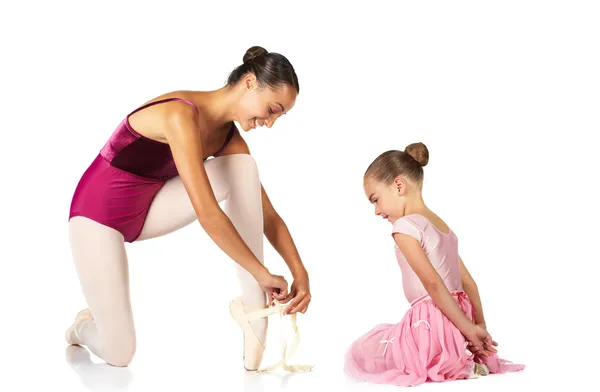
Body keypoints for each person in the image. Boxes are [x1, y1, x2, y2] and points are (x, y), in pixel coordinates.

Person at [64, 46, 312, 371]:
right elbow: (208, 214)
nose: (270, 122)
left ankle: (254, 312)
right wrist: (262, 273)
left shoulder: (229, 140)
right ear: (249, 82)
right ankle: (84, 326)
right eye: (272, 109)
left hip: (149, 209)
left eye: (279, 116)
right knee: (120, 352)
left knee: (243, 168)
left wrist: (300, 272)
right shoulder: (180, 115)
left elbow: (268, 215)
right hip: (96, 217)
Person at [344, 142, 525, 387]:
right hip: (459, 319)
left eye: (375, 200)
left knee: (363, 352)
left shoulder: (405, 227)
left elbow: (433, 283)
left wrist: (471, 330)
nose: (376, 211)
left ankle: (447, 357)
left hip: (430, 323)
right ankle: (463, 357)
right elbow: (469, 283)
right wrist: (476, 324)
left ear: (398, 185)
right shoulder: (441, 225)